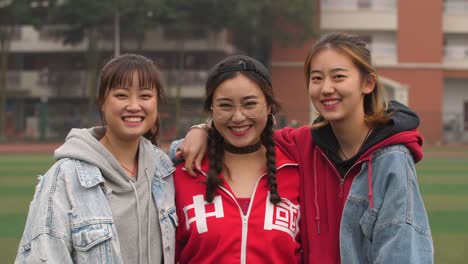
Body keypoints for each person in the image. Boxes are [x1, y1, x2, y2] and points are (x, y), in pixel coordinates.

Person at [173, 33, 434, 263]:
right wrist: (201, 130)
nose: (326, 88)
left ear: (368, 83)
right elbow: (241, 135)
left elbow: (404, 251)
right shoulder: (302, 145)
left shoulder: (391, 158)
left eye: (339, 77)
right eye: (316, 78)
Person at [15, 54, 176, 264]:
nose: (134, 106)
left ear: (157, 103)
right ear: (102, 102)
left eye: (145, 96)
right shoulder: (65, 178)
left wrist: (200, 130)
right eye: (121, 95)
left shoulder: (164, 169)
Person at [174, 55, 302, 263]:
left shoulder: (297, 170)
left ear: (269, 106)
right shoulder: (184, 172)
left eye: (249, 104)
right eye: (225, 106)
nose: (238, 117)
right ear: (211, 110)